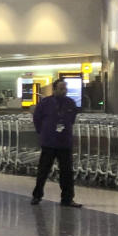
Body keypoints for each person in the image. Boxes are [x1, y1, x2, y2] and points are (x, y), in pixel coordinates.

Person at [31, 79, 81, 208]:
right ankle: (37, 195)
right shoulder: (45, 103)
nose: (64, 91)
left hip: (64, 143)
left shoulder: (70, 103)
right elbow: (37, 118)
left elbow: (72, 119)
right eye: (61, 89)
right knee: (43, 170)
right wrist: (42, 132)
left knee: (67, 172)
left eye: (65, 89)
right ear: (54, 89)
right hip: (49, 142)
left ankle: (67, 198)